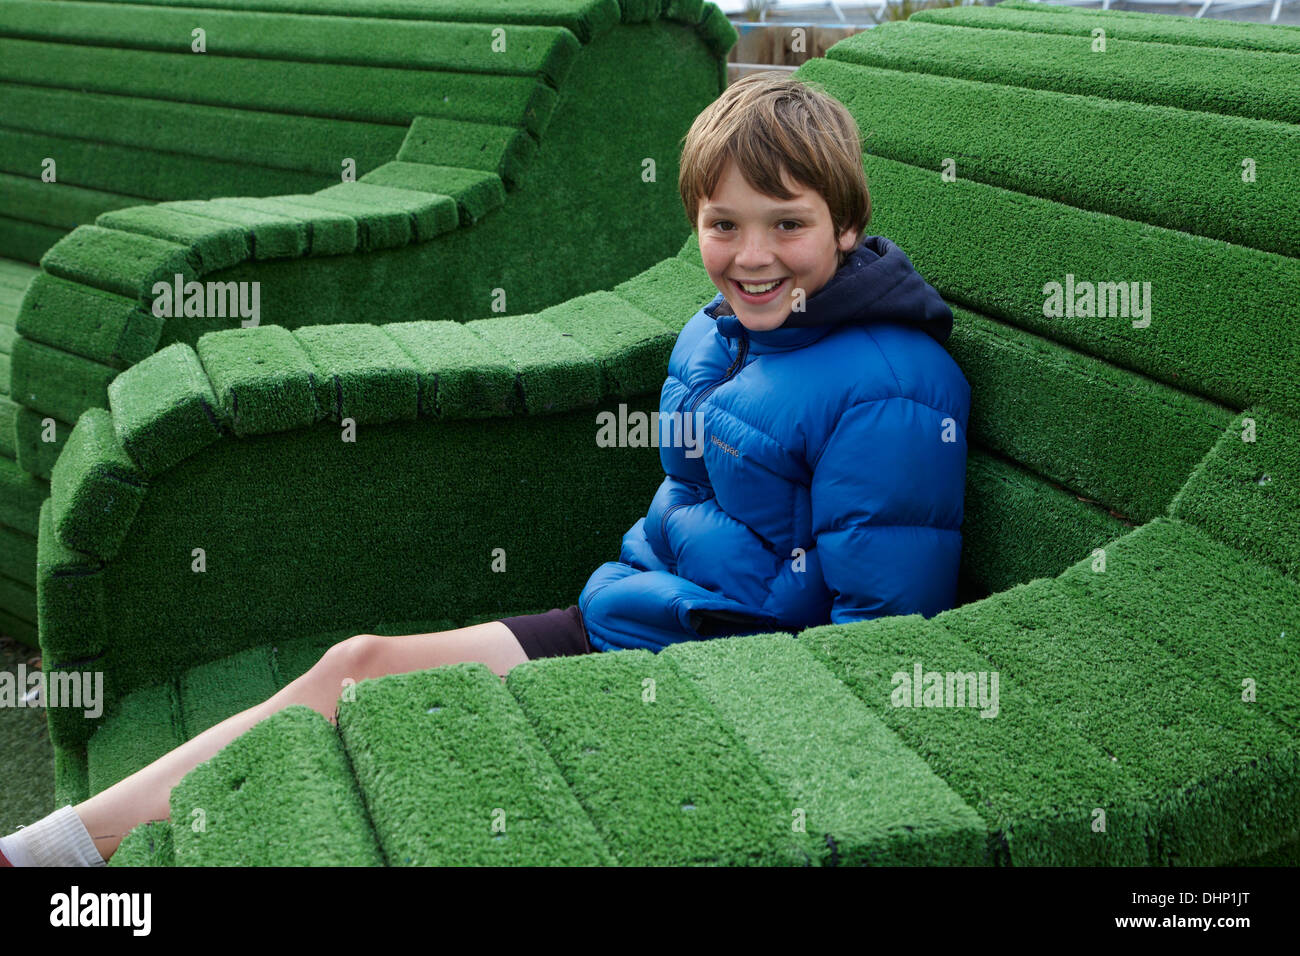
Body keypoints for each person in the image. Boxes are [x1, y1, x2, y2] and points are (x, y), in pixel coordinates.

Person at [0, 71, 969, 867]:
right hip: (622, 620)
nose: (751, 256)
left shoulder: (893, 384)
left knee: (405, 765)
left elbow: (877, 642)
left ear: (844, 227)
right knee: (357, 665)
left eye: (786, 224)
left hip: (703, 683)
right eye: (723, 225)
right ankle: (52, 854)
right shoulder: (715, 335)